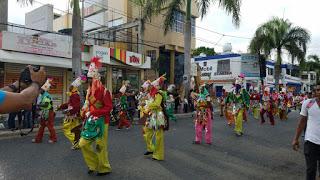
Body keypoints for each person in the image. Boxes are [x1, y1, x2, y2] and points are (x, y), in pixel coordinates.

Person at [78, 57, 113, 176]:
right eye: (90, 79)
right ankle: (93, 164)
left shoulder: (104, 91)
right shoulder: (89, 91)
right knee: (83, 143)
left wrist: (93, 113)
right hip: (90, 121)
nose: (91, 81)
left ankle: (104, 168)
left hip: (103, 121)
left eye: (92, 78)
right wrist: (84, 110)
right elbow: (88, 103)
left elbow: (109, 107)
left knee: (100, 146)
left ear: (97, 78)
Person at [292, 84, 320, 180]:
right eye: (316, 90)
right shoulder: (307, 103)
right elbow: (302, 122)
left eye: (319, 90)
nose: (318, 92)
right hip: (311, 141)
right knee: (311, 170)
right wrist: (296, 139)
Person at [57, 75, 86, 150]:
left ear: (73, 88)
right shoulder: (73, 95)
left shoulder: (74, 95)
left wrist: (69, 112)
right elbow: (69, 104)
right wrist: (61, 106)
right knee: (74, 130)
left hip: (72, 116)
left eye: (71, 86)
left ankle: (76, 142)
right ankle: (78, 142)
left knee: (68, 129)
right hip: (73, 115)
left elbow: (76, 107)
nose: (69, 88)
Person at [143, 75, 168, 161]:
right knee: (146, 132)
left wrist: (147, 105)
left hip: (158, 115)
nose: (144, 89)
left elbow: (157, 104)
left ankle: (158, 155)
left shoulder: (158, 94)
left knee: (158, 135)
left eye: (145, 87)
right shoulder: (150, 94)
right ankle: (151, 148)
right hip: (151, 115)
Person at [32, 78, 57, 143]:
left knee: (49, 126)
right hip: (44, 112)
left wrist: (38, 106)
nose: (40, 90)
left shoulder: (47, 96)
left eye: (41, 89)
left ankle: (54, 138)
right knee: (41, 126)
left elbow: (46, 105)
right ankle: (38, 139)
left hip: (49, 112)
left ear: (44, 90)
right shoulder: (43, 95)